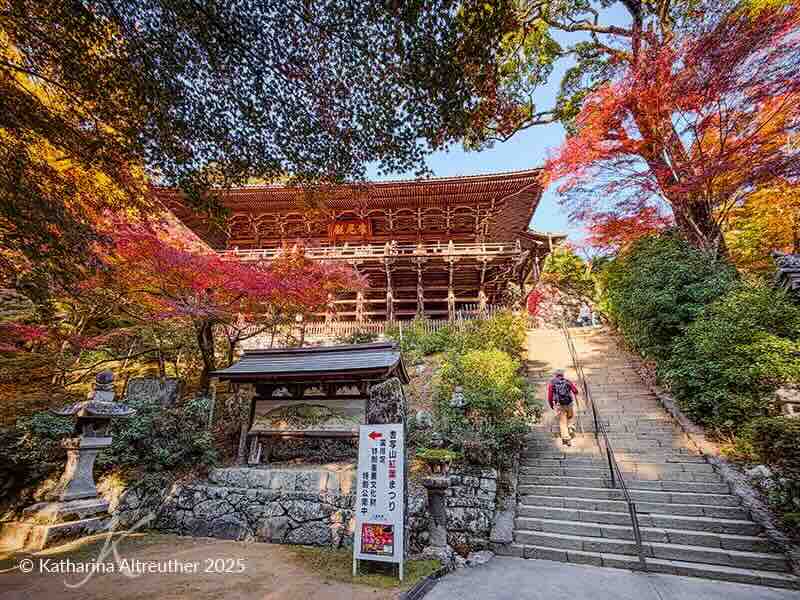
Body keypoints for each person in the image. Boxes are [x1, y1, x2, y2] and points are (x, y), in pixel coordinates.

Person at [547, 369, 579, 446]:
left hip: (559, 405)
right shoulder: (567, 381)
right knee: (570, 417)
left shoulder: (552, 383)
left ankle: (566, 438)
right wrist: (574, 392)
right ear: (562, 375)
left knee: (562, 422)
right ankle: (570, 427)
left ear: (555, 375)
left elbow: (550, 396)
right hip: (569, 403)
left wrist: (551, 404)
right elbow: (575, 390)